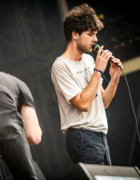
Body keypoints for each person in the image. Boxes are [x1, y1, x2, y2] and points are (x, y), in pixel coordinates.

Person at [51, 3, 123, 165]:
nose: (95, 39)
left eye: (95, 34)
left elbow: (103, 102)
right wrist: (98, 70)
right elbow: (83, 104)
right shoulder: (60, 65)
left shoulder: (89, 60)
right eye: (91, 34)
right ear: (75, 34)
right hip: (82, 136)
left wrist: (114, 78)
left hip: (100, 136)